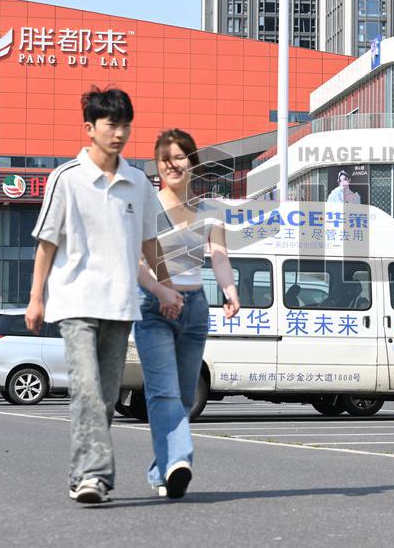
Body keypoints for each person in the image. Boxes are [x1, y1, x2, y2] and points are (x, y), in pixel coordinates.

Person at [26, 87, 183, 504]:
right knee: (87, 390)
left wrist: (165, 286)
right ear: (89, 128)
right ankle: (94, 476)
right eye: (112, 125)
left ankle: (83, 473)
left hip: (120, 303)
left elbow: (149, 243)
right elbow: (47, 242)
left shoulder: (138, 183)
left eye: (125, 125)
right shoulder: (66, 178)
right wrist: (36, 297)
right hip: (75, 301)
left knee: (108, 396)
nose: (120, 133)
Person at [135, 128, 241, 499]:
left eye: (180, 157)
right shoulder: (146, 207)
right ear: (158, 166)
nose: (172, 164)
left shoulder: (211, 210)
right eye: (165, 159)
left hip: (195, 309)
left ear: (193, 162)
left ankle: (162, 469)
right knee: (163, 393)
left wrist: (230, 291)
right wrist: (160, 290)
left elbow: (219, 256)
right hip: (154, 308)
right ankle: (179, 460)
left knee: (181, 396)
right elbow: (137, 260)